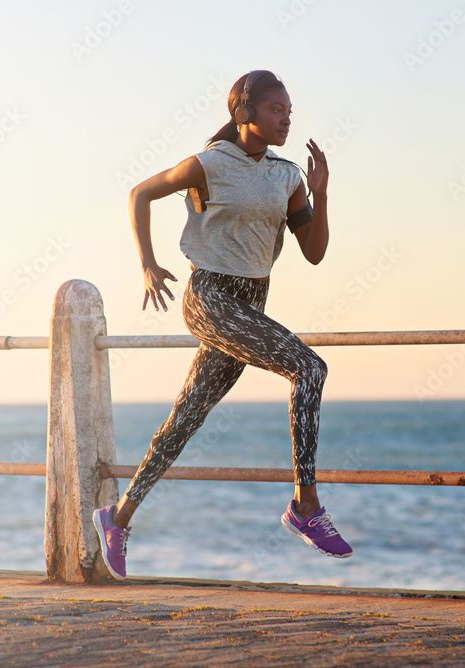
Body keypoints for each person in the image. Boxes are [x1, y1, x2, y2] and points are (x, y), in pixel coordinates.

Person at [93, 70, 351, 580]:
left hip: (250, 305)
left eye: (290, 112)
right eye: (277, 109)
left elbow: (315, 253)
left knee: (186, 417)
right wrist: (147, 262)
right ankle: (305, 505)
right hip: (209, 296)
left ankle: (117, 518)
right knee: (310, 368)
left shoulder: (288, 176)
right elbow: (141, 194)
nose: (287, 119)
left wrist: (320, 195)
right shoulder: (209, 164)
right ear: (244, 113)